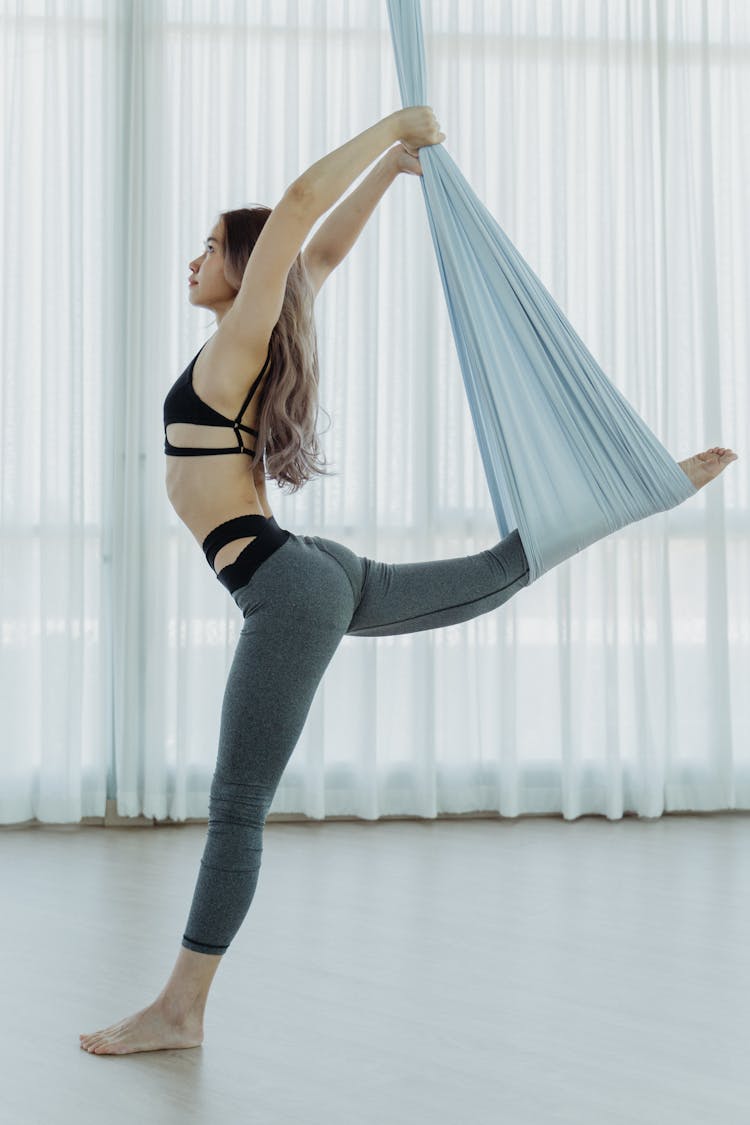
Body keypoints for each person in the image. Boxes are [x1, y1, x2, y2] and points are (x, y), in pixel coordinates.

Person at [80, 107, 737, 1056]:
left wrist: (394, 127)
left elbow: (302, 211)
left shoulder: (234, 352)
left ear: (244, 268)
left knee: (236, 808)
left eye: (212, 248)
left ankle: (180, 1009)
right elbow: (323, 252)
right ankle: (645, 491)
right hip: (313, 570)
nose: (194, 261)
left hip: (286, 586)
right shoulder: (255, 333)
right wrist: (390, 171)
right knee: (496, 575)